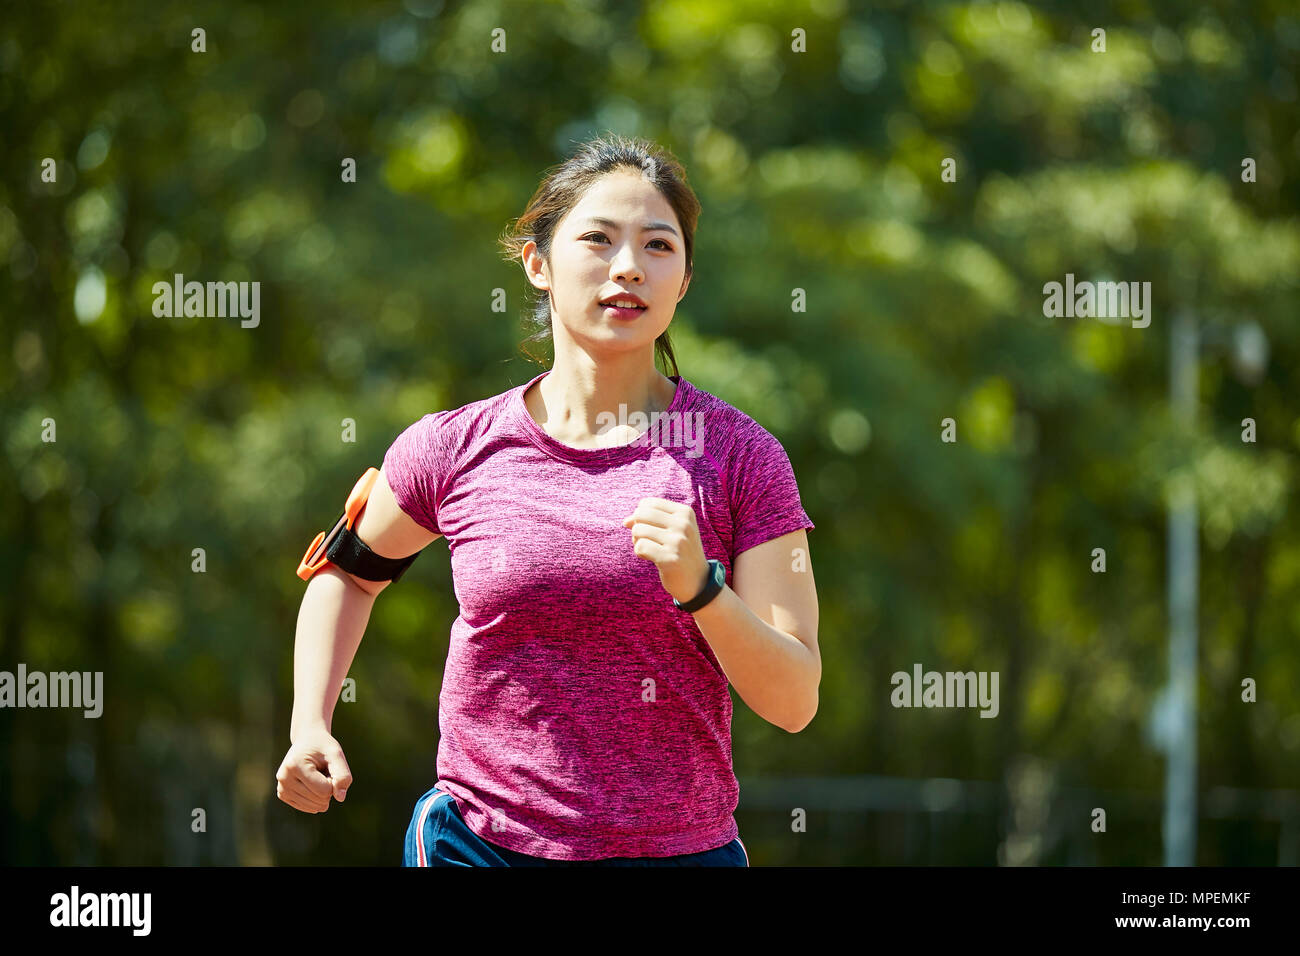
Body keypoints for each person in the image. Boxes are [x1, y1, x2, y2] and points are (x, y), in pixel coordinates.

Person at [276, 134, 820, 867]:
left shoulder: (742, 458)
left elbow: (794, 701)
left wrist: (703, 589)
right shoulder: (453, 446)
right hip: (480, 843)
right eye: (598, 238)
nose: (629, 266)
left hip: (680, 851)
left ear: (684, 279)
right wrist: (310, 721)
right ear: (537, 264)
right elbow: (346, 574)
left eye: (659, 246)